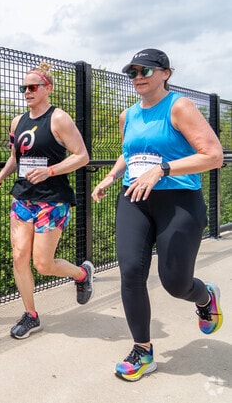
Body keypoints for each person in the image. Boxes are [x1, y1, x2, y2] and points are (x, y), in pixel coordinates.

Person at [91, 48, 224, 381]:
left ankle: (205, 296)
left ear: (166, 73)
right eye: (132, 72)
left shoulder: (179, 107)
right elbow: (129, 154)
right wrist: (110, 177)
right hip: (134, 197)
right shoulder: (128, 115)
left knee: (175, 283)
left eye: (145, 71)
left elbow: (213, 155)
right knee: (131, 271)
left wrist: (163, 169)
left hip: (178, 200)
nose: (138, 77)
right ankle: (143, 350)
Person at [0, 62, 94, 339]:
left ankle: (81, 274)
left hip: (52, 199)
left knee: (43, 264)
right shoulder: (17, 122)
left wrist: (50, 170)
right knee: (18, 256)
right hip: (23, 197)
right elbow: (16, 156)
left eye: (32, 87)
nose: (27, 92)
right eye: (23, 88)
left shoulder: (59, 118)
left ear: (48, 88)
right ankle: (31, 315)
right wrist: (1, 174)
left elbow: (82, 155)